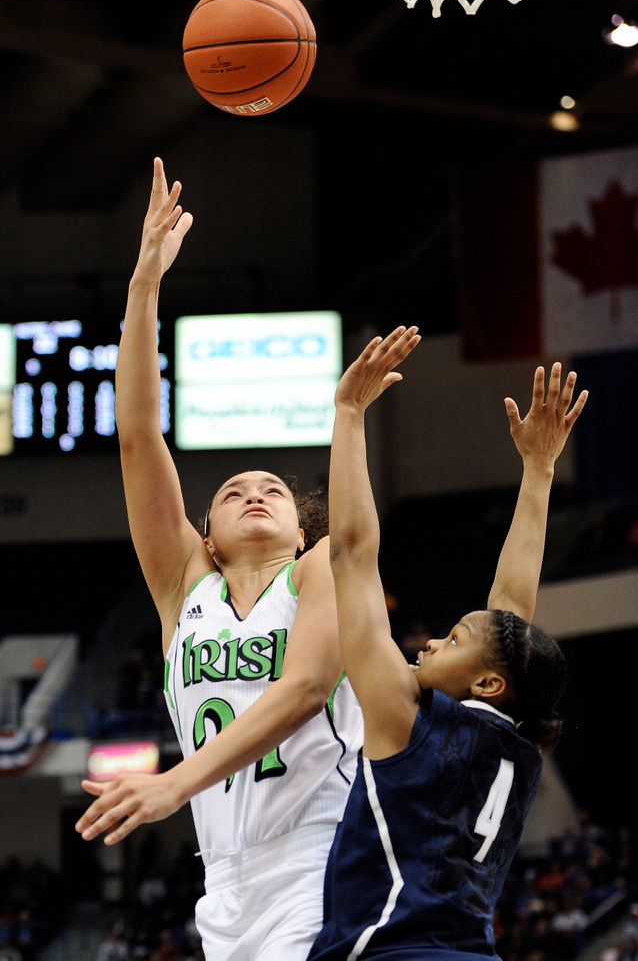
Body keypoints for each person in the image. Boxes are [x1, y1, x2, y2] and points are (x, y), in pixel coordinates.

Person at [74, 158, 363, 961]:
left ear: (300, 532)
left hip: (325, 849)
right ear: (203, 534)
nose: (258, 494)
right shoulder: (182, 590)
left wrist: (172, 782)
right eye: (234, 491)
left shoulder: (321, 567)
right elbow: (137, 439)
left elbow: (306, 688)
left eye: (273, 488)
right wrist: (143, 287)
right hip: (225, 877)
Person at [307, 326, 589, 961]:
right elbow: (509, 618)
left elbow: (350, 556)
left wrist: (349, 414)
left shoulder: (407, 719)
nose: (431, 642)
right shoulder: (515, 748)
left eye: (452, 638)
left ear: (488, 682)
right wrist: (538, 472)